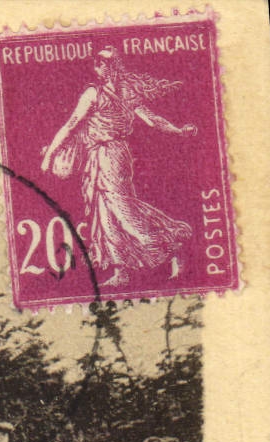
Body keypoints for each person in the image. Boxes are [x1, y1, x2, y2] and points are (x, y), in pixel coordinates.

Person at [41, 47, 198, 287]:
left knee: (121, 207)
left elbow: (150, 119)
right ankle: (121, 271)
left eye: (102, 64)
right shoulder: (102, 93)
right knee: (104, 212)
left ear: (111, 67)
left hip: (111, 155)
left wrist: (177, 130)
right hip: (99, 156)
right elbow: (71, 124)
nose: (99, 68)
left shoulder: (108, 93)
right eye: (98, 64)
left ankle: (170, 245)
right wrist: (50, 154)